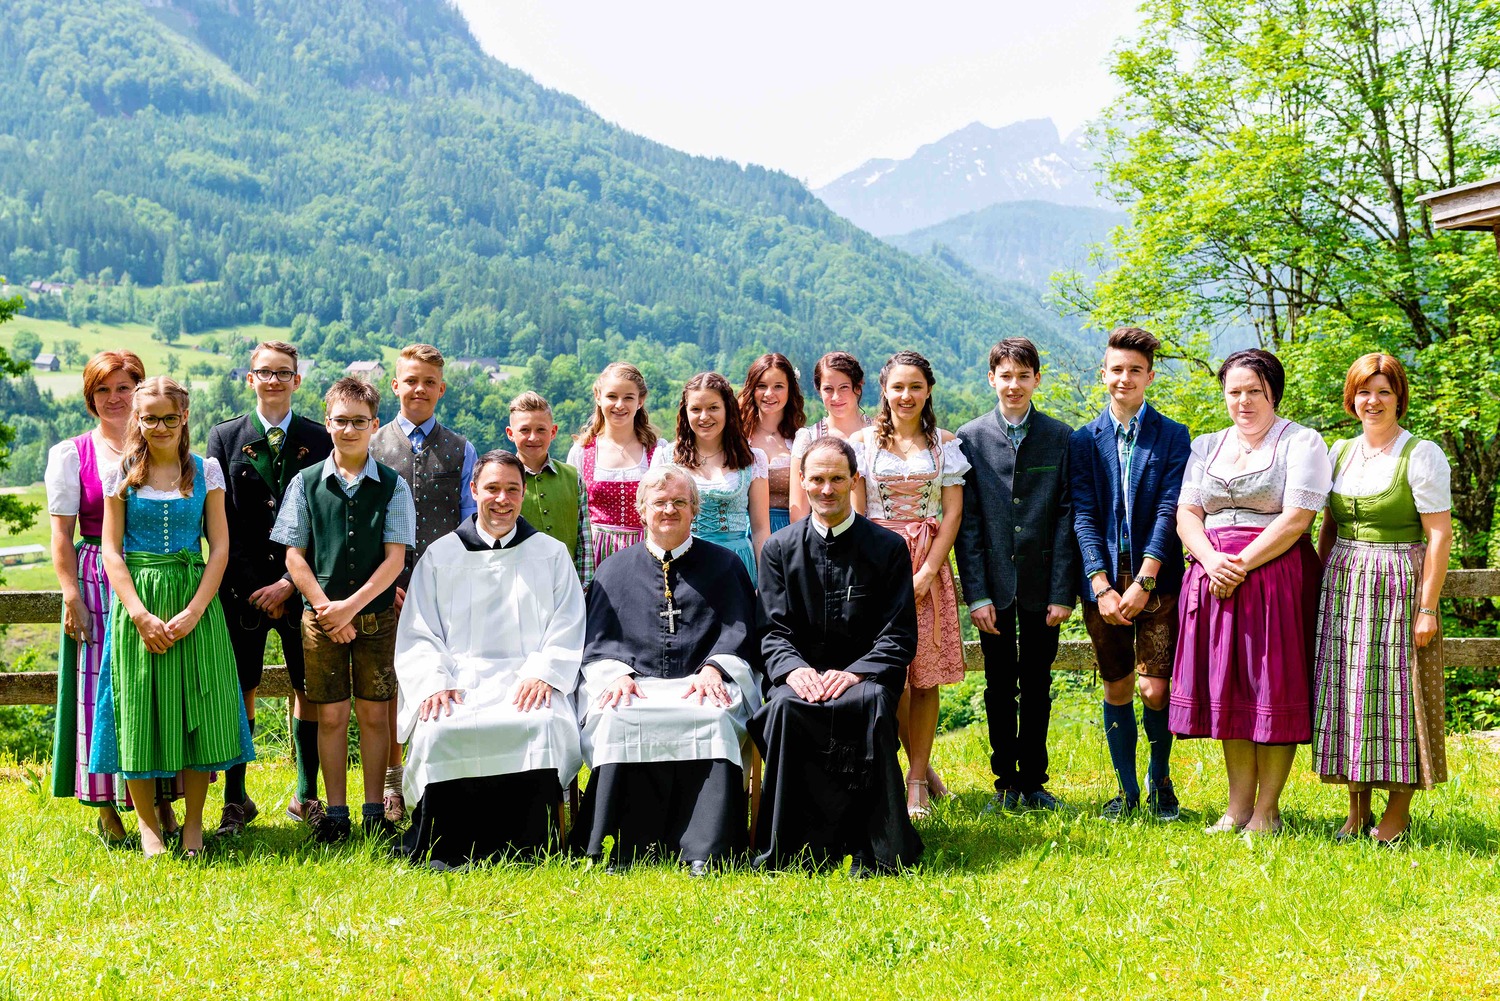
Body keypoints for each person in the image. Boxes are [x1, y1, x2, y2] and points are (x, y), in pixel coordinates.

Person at [394, 451, 586, 868]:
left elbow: (569, 622)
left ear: (523, 494)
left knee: (543, 725)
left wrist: (545, 672)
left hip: (529, 679)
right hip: (457, 681)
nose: (502, 499)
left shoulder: (550, 554)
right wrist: (434, 682)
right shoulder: (442, 555)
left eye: (512, 490)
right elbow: (419, 631)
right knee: (439, 729)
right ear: (474, 490)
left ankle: (534, 843)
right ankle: (445, 844)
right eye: (492, 488)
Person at [90, 377, 254, 858]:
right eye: (149, 418)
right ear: (138, 420)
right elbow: (111, 551)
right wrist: (139, 614)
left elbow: (219, 547)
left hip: (193, 597)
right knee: (138, 708)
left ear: (185, 417)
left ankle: (194, 824)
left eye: (168, 417)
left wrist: (195, 610)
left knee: (199, 710)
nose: (159, 427)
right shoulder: (121, 473)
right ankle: (148, 826)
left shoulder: (207, 471)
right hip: (138, 601)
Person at [1173, 349, 1331, 834]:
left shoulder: (1301, 442)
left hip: (1275, 576)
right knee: (1232, 692)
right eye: (1234, 391)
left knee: (1271, 688)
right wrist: (1210, 560)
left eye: (1254, 391)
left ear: (1273, 394)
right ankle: (1238, 807)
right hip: (1213, 576)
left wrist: (1238, 564)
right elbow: (1187, 514)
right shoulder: (1207, 446)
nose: (1243, 401)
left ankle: (1267, 812)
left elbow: (1297, 519)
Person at [572, 467, 760, 874]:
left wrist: (716, 668)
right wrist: (615, 674)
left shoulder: (725, 566)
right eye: (659, 503)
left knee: (714, 716)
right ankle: (619, 846)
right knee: (616, 717)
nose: (669, 510)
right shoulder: (613, 570)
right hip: (635, 684)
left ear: (695, 509)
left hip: (702, 683)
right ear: (642, 510)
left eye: (679, 502)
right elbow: (596, 641)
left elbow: (743, 633)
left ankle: (707, 850)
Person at [751, 436, 922, 875]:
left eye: (837, 479)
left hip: (865, 680)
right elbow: (772, 630)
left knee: (870, 704)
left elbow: (899, 633)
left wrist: (855, 674)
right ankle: (792, 849)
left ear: (854, 481)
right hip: (801, 680)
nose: (826, 489)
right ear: (802, 481)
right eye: (817, 479)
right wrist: (794, 671)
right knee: (784, 708)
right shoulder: (779, 550)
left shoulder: (887, 548)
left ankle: (875, 846)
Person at [1312, 354, 1451, 845]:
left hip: (1397, 583)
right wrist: (1321, 582)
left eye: (1384, 392)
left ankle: (1397, 812)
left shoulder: (1422, 454)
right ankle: (1356, 809)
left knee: (1397, 695)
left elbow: (1439, 536)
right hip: (1344, 583)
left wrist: (1427, 608)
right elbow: (1328, 527)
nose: (1373, 401)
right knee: (1350, 694)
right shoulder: (1339, 451)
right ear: (1351, 399)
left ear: (1399, 398)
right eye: (1364, 392)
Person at [272, 377, 416, 843]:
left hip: (376, 620)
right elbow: (294, 555)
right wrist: (324, 608)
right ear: (328, 422)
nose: (349, 430)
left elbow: (395, 559)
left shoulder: (393, 486)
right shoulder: (305, 482)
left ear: (374, 424)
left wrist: (349, 609)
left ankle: (374, 811)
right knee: (331, 716)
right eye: (340, 421)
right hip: (320, 623)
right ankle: (336, 813)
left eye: (359, 422)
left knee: (375, 716)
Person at [46, 350, 180, 842]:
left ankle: (162, 800)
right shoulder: (73, 454)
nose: (114, 398)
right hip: (96, 580)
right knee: (98, 692)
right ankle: (105, 806)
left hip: (154, 578)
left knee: (154, 687)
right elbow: (61, 535)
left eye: (124, 387)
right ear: (90, 397)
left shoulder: (164, 445)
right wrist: (71, 595)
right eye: (102, 390)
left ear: (141, 391)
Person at [205, 340, 333, 836]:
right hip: (242, 589)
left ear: (297, 380)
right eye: (265, 372)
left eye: (283, 372)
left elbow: (326, 519)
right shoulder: (225, 437)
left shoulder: (319, 437)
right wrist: (256, 584)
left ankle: (306, 795)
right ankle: (236, 800)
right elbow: (221, 521)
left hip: (304, 587)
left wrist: (288, 582)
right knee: (242, 689)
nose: (274, 380)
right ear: (250, 378)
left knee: (308, 688)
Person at [1069, 326, 1191, 820]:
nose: (1125, 378)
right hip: (1102, 581)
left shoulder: (1173, 435)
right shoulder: (1083, 440)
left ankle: (1160, 781)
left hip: (1156, 577)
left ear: (1150, 377)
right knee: (1117, 685)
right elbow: (1082, 513)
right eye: (1116, 369)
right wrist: (1099, 583)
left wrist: (1145, 580)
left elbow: (1169, 510)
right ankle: (1126, 792)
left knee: (1154, 689)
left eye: (1135, 370)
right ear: (1103, 374)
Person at [955, 337, 1078, 813]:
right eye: (1005, 376)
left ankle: (1035, 782)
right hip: (993, 587)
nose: (1014, 385)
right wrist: (976, 594)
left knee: (1038, 683)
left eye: (1023, 376)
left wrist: (1063, 591)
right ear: (992, 379)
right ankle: (1005, 781)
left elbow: (1067, 517)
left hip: (1043, 584)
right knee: (1000, 685)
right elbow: (967, 523)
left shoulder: (1060, 436)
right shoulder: (970, 437)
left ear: (1036, 379)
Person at [849, 351, 967, 819]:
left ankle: (916, 780)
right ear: (884, 390)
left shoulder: (945, 444)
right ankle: (909, 772)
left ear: (928, 390)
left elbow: (952, 513)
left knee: (925, 676)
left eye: (915, 386)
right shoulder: (862, 444)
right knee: (889, 675)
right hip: (877, 561)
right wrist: (871, 574)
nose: (906, 395)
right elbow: (858, 514)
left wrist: (928, 571)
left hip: (927, 561)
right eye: (898, 386)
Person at [369, 343, 478, 824]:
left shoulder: (462, 448)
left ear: (441, 389)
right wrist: (381, 581)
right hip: (383, 586)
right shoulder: (372, 444)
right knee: (389, 685)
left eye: (429, 382)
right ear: (396, 384)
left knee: (447, 677)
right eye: (411, 380)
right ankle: (393, 785)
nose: (419, 389)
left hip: (443, 586)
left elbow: (470, 521)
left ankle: (443, 776)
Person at [652, 372, 770, 582]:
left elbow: (760, 529)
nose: (704, 417)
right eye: (696, 409)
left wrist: (766, 582)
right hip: (684, 562)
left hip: (735, 563)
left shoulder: (753, 459)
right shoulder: (666, 457)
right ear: (685, 412)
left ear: (728, 409)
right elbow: (653, 522)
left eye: (713, 408)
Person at [567, 362, 662, 568]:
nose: (619, 405)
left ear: (640, 401)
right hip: (595, 555)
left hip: (644, 553)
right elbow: (573, 513)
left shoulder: (657, 451)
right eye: (612, 396)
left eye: (628, 397)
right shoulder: (582, 452)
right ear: (598, 396)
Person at [506, 391, 594, 588]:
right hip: (517, 584)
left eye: (541, 430)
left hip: (566, 584)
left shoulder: (573, 477)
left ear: (553, 432)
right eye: (524, 430)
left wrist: (584, 588)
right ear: (510, 434)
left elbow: (585, 541)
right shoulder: (502, 481)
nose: (533, 437)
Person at [788, 352, 870, 522]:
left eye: (844, 387)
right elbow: (799, 511)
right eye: (828, 389)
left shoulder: (879, 434)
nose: (836, 397)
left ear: (858, 387)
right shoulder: (808, 438)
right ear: (819, 391)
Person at [738, 353, 806, 532]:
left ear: (790, 390)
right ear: (752, 389)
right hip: (742, 530)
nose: (769, 394)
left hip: (787, 530)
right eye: (762, 386)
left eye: (778, 386)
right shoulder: (738, 436)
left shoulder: (800, 439)